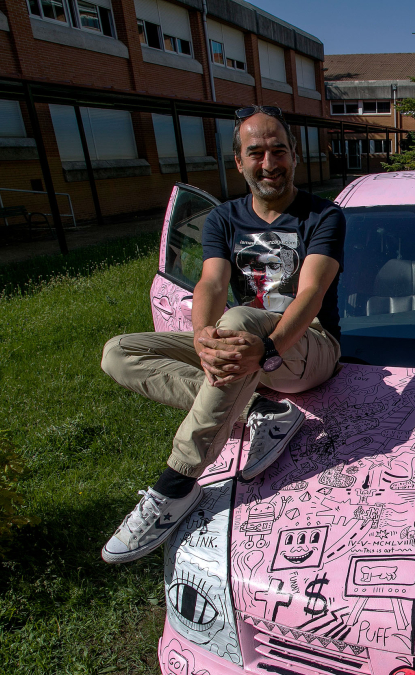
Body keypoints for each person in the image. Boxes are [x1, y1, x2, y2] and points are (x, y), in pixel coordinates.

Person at [98, 107, 344, 563]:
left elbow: (311, 291)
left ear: (294, 156)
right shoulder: (224, 219)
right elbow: (210, 282)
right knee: (119, 352)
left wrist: (268, 349)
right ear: (239, 162)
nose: (269, 163)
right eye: (257, 153)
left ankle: (175, 486)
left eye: (279, 151)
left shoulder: (322, 216)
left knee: (237, 322)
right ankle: (260, 410)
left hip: (307, 348)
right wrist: (201, 341)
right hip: (245, 347)